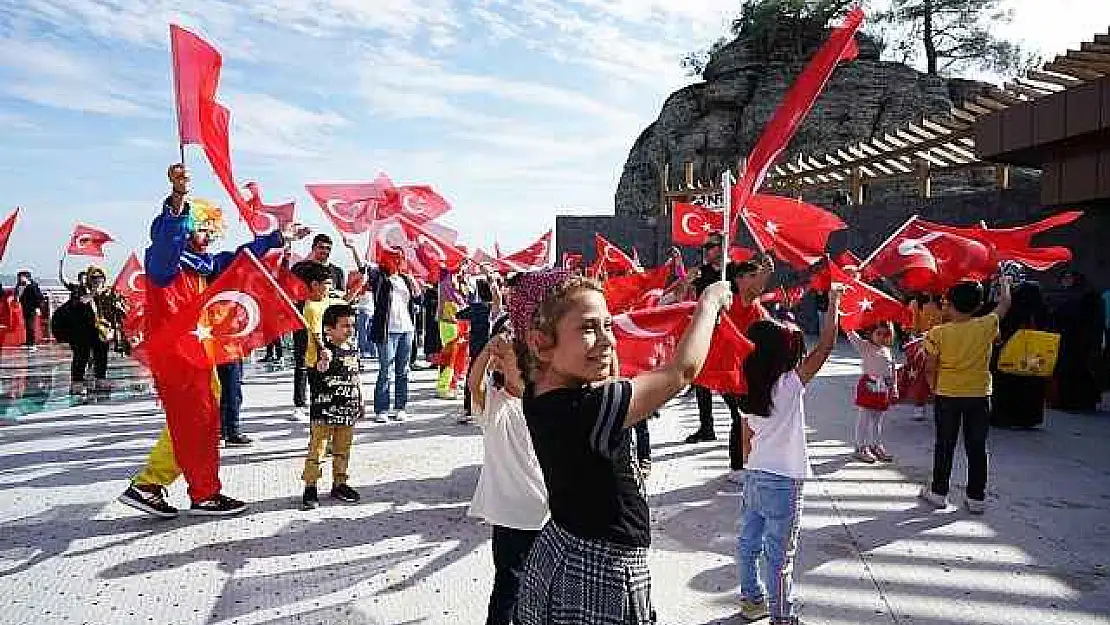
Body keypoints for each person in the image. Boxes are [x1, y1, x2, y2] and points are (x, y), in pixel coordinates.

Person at [511, 269, 733, 625]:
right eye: (587, 328)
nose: (607, 341)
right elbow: (682, 372)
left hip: (563, 550)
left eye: (608, 326)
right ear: (540, 343)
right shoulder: (590, 408)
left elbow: (612, 377)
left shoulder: (540, 394)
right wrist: (708, 304)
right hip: (597, 571)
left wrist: (597, 342)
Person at [118, 163, 307, 519]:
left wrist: (280, 237)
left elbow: (242, 257)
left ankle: (149, 485)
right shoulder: (165, 263)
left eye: (211, 231)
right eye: (203, 229)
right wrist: (178, 200)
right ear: (189, 229)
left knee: (196, 420)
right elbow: (165, 238)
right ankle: (202, 493)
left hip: (197, 354)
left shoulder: (205, 264)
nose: (209, 237)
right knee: (198, 420)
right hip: (176, 354)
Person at [736, 287, 842, 625]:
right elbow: (825, 347)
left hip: (753, 476)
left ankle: (752, 599)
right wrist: (834, 303)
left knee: (748, 541)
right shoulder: (789, 384)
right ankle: (783, 616)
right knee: (780, 555)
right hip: (784, 481)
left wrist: (749, 467)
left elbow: (745, 439)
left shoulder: (745, 388)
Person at [467, 315, 548, 625]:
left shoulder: (542, 401)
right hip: (510, 515)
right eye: (502, 359)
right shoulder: (494, 405)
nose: (503, 361)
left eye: (509, 355)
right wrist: (488, 349)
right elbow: (474, 383)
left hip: (544, 509)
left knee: (538, 585)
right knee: (507, 585)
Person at [919, 278, 1012, 515]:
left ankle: (939, 493)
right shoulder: (987, 325)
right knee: (977, 447)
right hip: (979, 394)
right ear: (979, 305)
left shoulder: (937, 333)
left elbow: (930, 367)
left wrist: (933, 387)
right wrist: (1005, 284)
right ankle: (976, 497)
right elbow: (1005, 305)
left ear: (948, 304)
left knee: (945, 445)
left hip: (947, 394)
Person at [301, 303, 364, 509]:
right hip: (324, 412)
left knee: (343, 450)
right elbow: (315, 375)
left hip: (347, 410)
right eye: (345, 326)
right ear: (328, 329)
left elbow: (356, 377)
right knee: (317, 450)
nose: (350, 330)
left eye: (352, 325)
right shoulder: (322, 352)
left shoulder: (353, 349)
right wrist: (322, 364)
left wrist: (360, 400)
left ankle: (340, 482)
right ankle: (310, 486)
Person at [290, 234, 353, 421]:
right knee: (303, 361)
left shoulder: (337, 271)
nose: (324, 251)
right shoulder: (303, 268)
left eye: (327, 248)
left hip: (330, 324)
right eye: (321, 247)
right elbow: (293, 280)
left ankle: (326, 399)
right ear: (313, 248)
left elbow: (343, 298)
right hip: (306, 319)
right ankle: (300, 404)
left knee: (329, 361)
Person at [368, 251, 421, 423]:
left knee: (403, 370)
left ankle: (400, 407)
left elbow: (417, 299)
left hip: (406, 329)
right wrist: (353, 248)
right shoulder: (379, 276)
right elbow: (364, 267)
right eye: (394, 258)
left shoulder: (405, 279)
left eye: (400, 258)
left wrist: (414, 283)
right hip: (387, 330)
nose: (398, 261)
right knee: (386, 370)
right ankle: (382, 409)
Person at [990, 281, 1052, 429]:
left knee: (1007, 384)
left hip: (1010, 354)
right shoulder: (1042, 310)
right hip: (1035, 355)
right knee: (1032, 385)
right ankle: (1028, 418)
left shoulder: (1014, 309)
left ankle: (1004, 417)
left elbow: (1003, 328)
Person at [1052, 270, 1105, 412]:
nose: (1065, 281)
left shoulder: (1086, 295)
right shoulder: (1079, 294)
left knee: (1077, 370)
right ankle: (1076, 401)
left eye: (1068, 278)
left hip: (1079, 340)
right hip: (1073, 340)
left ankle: (1076, 401)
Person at [845, 321, 898, 463]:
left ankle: (875, 445)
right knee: (864, 417)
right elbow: (851, 335)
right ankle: (860, 447)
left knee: (877, 419)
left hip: (883, 388)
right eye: (878, 333)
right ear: (871, 334)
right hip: (869, 385)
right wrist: (847, 319)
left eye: (885, 334)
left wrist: (894, 387)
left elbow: (892, 369)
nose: (881, 337)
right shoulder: (865, 346)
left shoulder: (887, 350)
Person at [457, 276, 498, 423]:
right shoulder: (494, 308)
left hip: (476, 348)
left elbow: (458, 315)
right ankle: (486, 408)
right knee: (490, 380)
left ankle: (469, 409)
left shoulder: (476, 308)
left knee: (473, 376)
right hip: (491, 349)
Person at [15, 270, 45, 350]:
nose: (19, 279)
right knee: (27, 326)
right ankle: (28, 342)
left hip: (32, 308)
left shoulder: (33, 286)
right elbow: (18, 296)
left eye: (21, 277)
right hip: (24, 308)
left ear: (26, 277)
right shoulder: (19, 286)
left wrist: (38, 308)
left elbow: (39, 297)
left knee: (31, 326)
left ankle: (32, 344)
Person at [354, 288, 377, 359]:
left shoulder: (363, 291)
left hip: (364, 311)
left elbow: (356, 298)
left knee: (362, 332)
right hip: (371, 312)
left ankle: (364, 351)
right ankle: (373, 352)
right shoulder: (373, 290)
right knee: (369, 332)